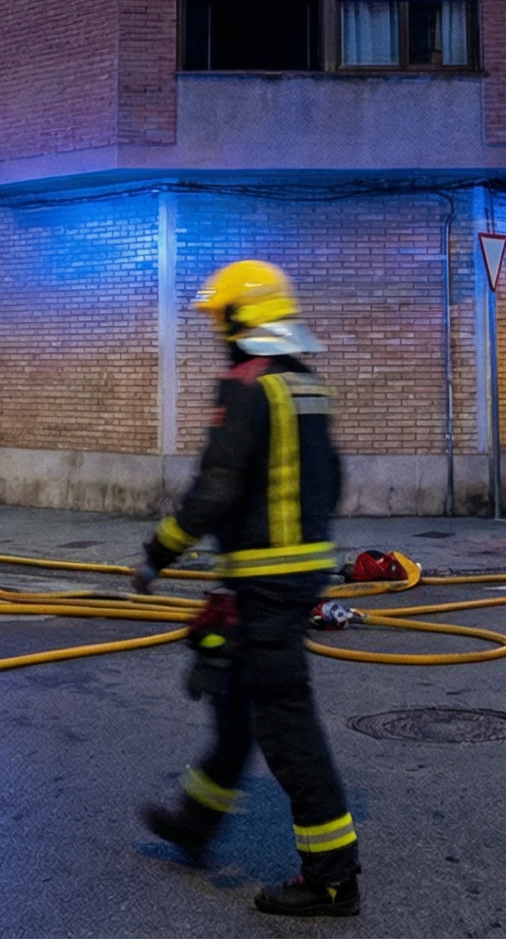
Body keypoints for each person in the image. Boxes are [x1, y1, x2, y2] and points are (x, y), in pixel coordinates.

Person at [136, 259, 360, 919]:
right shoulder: (307, 385)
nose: (220, 333)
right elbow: (335, 479)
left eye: (223, 320)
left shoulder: (246, 386)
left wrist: (158, 553)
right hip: (291, 573)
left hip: (265, 582)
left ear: (242, 320)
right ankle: (194, 826)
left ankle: (331, 876)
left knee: (284, 722)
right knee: (235, 708)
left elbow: (217, 488)